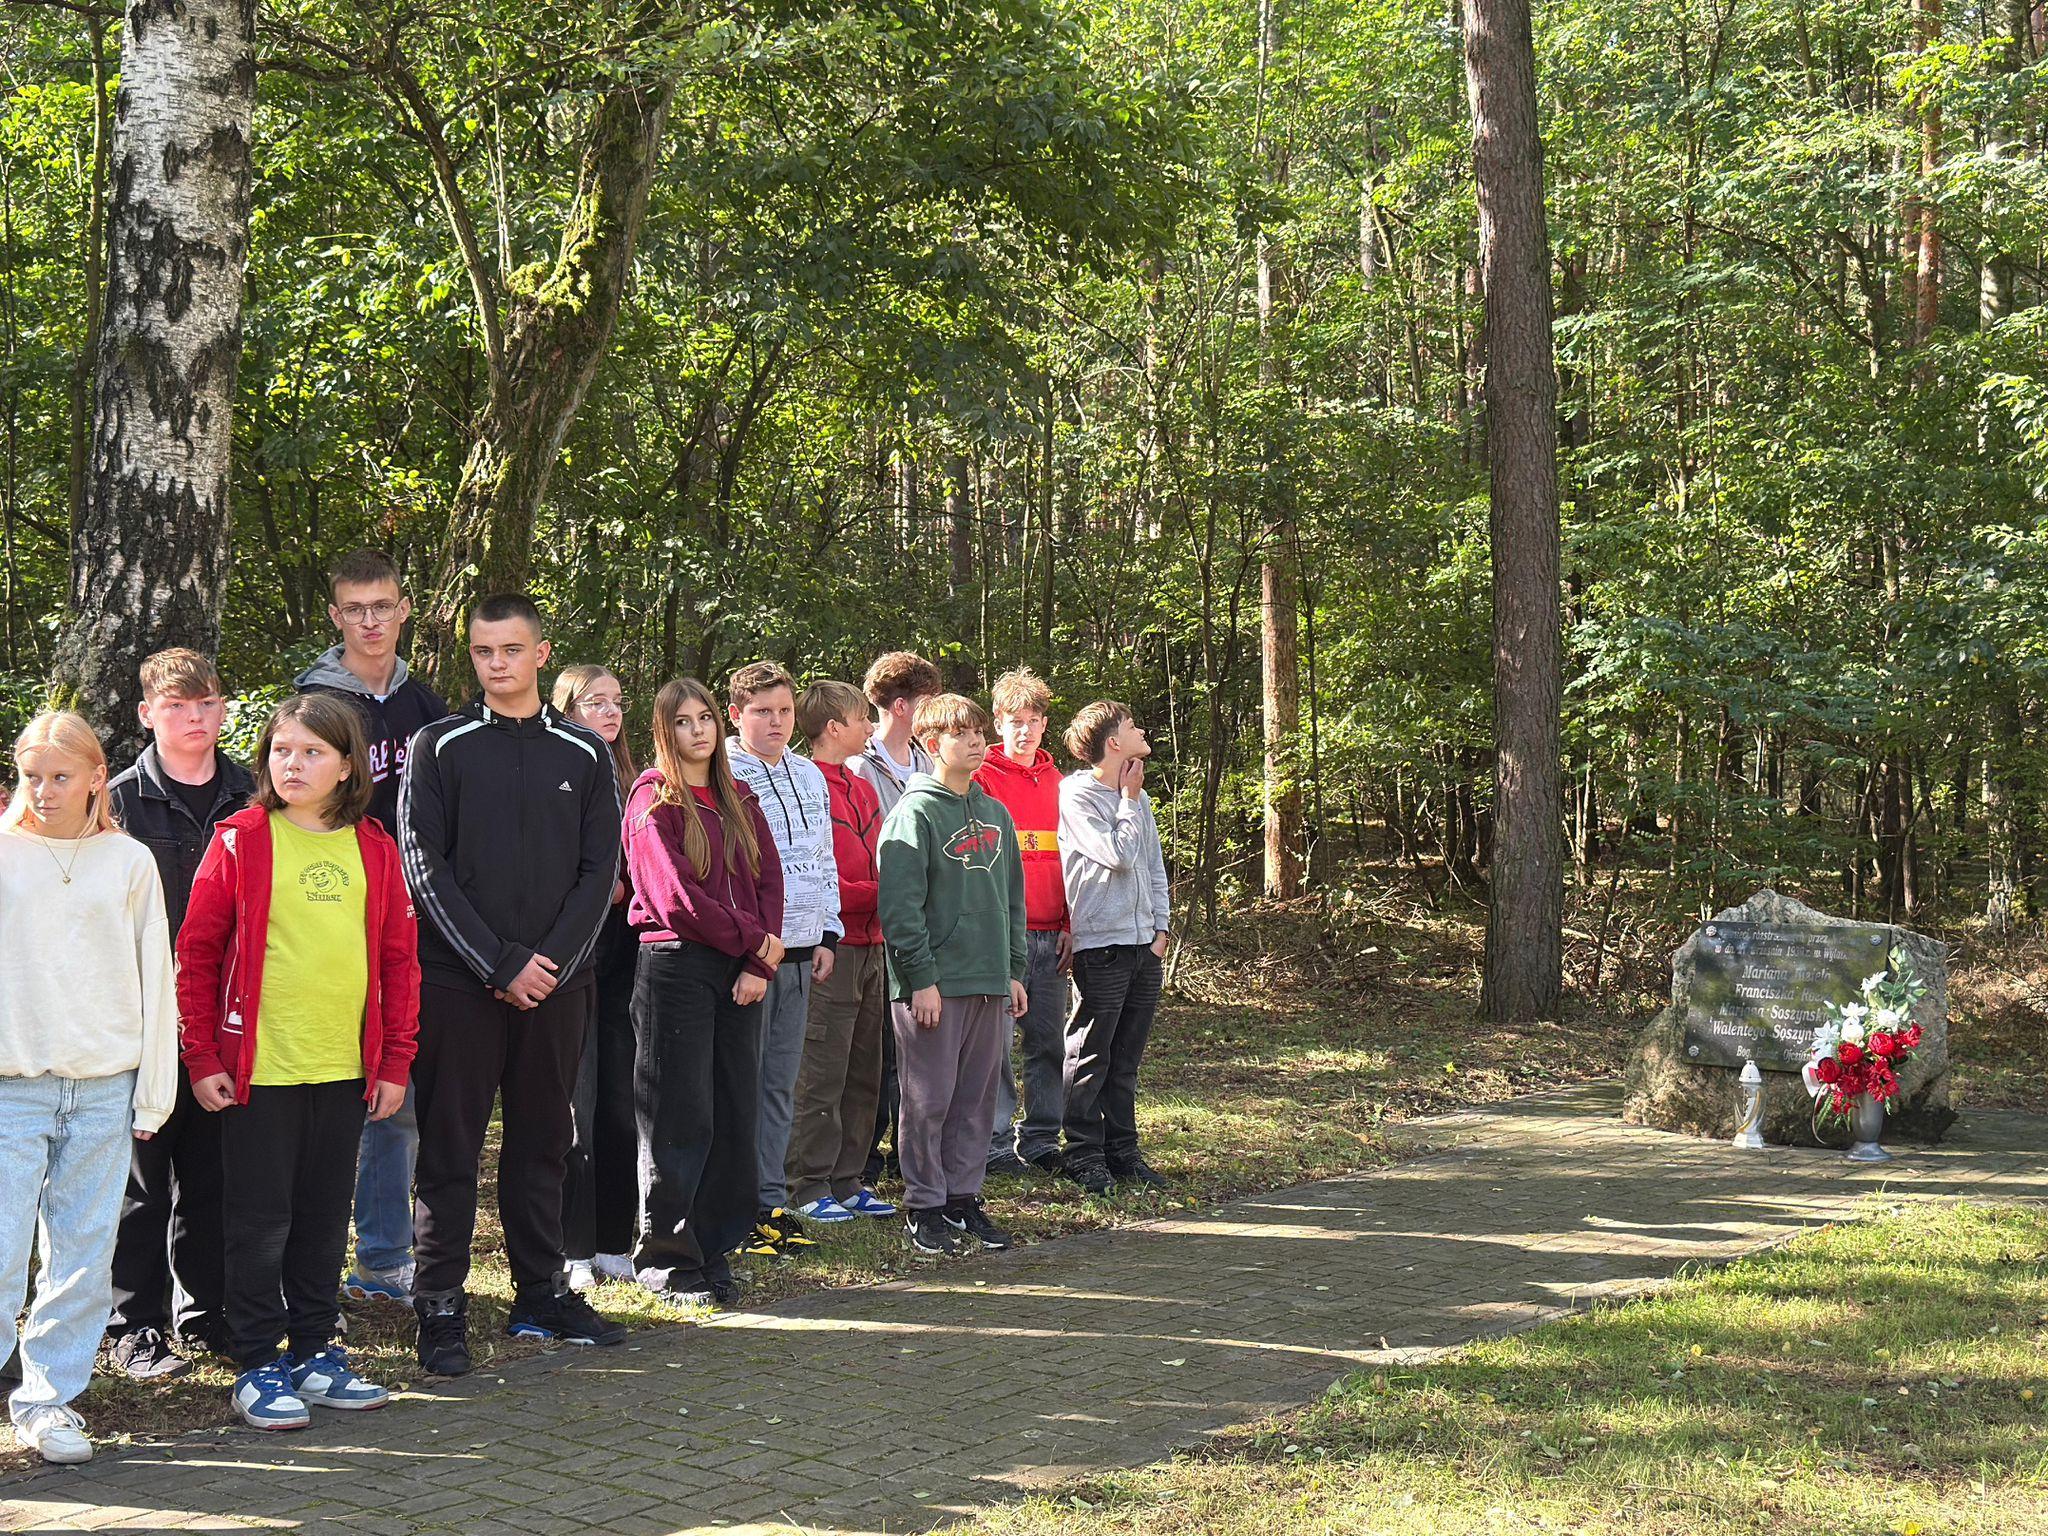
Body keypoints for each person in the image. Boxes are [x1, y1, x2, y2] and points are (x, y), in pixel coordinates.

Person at [398, 593, 627, 1376]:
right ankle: (439, 1306)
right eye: (483, 651)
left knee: (543, 1143)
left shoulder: (585, 752)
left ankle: (541, 1294)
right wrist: (497, 964)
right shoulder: (439, 744)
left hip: (560, 985)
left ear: (541, 653)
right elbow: (422, 865)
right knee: (450, 1149)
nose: (497, 664)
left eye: (511, 649)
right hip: (459, 984)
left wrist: (548, 965)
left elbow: (601, 870)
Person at [177, 696, 419, 1430]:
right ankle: (256, 1360)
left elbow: (399, 960)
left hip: (344, 1068)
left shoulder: (373, 846)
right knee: (259, 1221)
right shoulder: (241, 839)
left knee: (322, 1217)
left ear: (347, 766)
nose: (293, 764)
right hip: (259, 1071)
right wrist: (201, 1054)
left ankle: (315, 1351)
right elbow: (196, 952)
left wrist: (395, 1060)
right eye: (282, 750)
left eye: (312, 752)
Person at [0, 712, 177, 1465]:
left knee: (81, 1258)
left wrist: (154, 1091)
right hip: (12, 1087)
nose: (43, 790)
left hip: (105, 1088)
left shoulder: (129, 862)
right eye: (31, 775)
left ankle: (49, 1402)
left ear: (97, 778)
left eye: (60, 776)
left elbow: (156, 976)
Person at [295, 548, 447, 1308]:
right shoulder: (316, 704)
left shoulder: (427, 706)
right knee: (325, 1097)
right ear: (335, 616)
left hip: (417, 920)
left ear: (404, 609)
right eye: (354, 609)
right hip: (333, 917)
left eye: (382, 606)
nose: (370, 622)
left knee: (399, 1095)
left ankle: (384, 1260)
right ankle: (306, 1267)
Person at [103, 649, 254, 1379]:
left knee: (214, 1173)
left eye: (206, 703)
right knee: (141, 1177)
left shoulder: (254, 795)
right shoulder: (117, 802)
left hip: (229, 1015)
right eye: (176, 706)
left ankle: (208, 1314)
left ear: (223, 708)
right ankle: (134, 1325)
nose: (194, 718)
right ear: (147, 715)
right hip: (141, 1018)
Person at [622, 679, 784, 1305]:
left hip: (740, 970)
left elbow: (768, 880)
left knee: (732, 1111)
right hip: (677, 967)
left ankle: (712, 1247)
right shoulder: (651, 800)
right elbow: (675, 899)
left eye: (707, 718)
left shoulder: (738, 797)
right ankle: (667, 1259)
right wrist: (753, 940)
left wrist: (759, 961)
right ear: (665, 731)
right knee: (678, 1115)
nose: (699, 731)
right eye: (683, 721)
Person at [876, 694, 1028, 1258]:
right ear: (929, 741)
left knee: (975, 1100)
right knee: (928, 1098)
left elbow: (1013, 900)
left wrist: (1014, 970)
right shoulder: (913, 814)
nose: (975, 741)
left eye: (978, 731)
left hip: (989, 979)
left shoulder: (997, 813)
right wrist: (920, 978)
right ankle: (924, 1205)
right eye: (960, 733)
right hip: (933, 985)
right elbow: (900, 909)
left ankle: (963, 1199)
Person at [724, 661, 840, 1255]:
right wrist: (750, 946)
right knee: (740, 1085)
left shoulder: (809, 774)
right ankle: (734, 1206)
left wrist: (828, 931)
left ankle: (770, 1202)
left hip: (801, 950)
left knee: (779, 1085)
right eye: (762, 711)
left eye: (785, 711)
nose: (776, 722)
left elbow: (824, 855)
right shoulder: (722, 771)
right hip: (748, 955)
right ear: (735, 714)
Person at [786, 681, 895, 1223]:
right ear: (834, 728)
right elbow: (817, 875)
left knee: (864, 1069)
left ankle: (848, 1179)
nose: (871, 727)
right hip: (834, 945)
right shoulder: (807, 786)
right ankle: (805, 1184)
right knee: (821, 1069)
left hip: (875, 944)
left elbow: (883, 857)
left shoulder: (863, 787)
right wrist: (884, 894)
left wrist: (891, 896)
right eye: (861, 719)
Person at [1058, 702, 1173, 1195]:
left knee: (1125, 1059)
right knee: (1091, 1054)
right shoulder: (1077, 794)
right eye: (1131, 726)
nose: (1141, 729)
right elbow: (1118, 856)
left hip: (1144, 946)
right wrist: (1128, 799)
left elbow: (1152, 866)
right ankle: (1083, 1153)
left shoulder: (1139, 799)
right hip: (1101, 945)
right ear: (1112, 743)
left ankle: (1123, 1151)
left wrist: (1161, 930)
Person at [551, 665, 640, 1291]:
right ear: (566, 709)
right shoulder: (555, 770)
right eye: (594, 702)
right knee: (574, 1105)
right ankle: (573, 1245)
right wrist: (596, 887)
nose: (609, 712)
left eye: (616, 702)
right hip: (571, 952)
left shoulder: (634, 779)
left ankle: (613, 1240)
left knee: (618, 1101)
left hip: (626, 954)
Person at [972, 667, 1072, 1178]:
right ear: (997, 723)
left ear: (1045, 724)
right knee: (995, 1047)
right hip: (1001, 936)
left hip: (1053, 934)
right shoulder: (982, 779)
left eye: (1034, 721)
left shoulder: (1061, 784)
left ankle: (1041, 1139)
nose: (1025, 731)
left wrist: (1070, 922)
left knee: (1048, 1042)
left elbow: (1075, 860)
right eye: (1015, 721)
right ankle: (992, 1142)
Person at [850, 650, 942, 1184]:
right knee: (875, 1050)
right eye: (928, 700)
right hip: (876, 921)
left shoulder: (928, 763)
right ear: (903, 706)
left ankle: (909, 1152)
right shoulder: (861, 765)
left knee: (910, 1046)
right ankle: (864, 1158)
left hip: (923, 924)